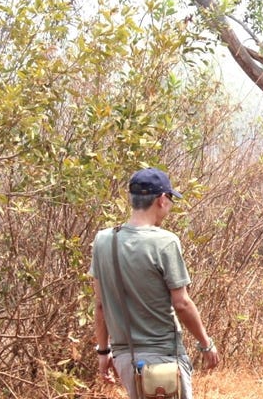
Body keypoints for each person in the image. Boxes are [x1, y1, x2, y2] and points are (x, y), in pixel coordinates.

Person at [91, 168, 221, 398]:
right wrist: (205, 343)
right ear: (161, 200)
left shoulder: (103, 241)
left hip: (125, 358)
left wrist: (103, 351)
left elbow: (100, 305)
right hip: (163, 359)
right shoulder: (165, 242)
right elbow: (181, 304)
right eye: (170, 199)